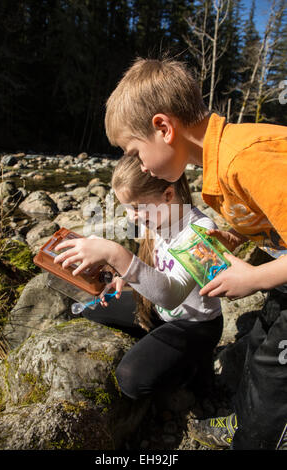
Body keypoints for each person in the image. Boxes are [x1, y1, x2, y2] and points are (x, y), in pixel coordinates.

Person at [103, 57, 287, 450]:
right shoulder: (219, 165)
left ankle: (257, 440)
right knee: (259, 347)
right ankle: (244, 419)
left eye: (135, 152)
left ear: (163, 127)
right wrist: (235, 236)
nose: (141, 166)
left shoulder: (244, 158)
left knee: (275, 374)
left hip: (276, 275)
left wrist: (254, 278)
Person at [54, 154, 223, 404]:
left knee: (131, 379)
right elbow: (150, 264)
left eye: (135, 207)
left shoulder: (201, 230)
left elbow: (170, 294)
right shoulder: (155, 217)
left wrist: (115, 253)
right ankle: (159, 346)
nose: (131, 216)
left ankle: (192, 368)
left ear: (167, 196)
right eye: (126, 208)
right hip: (157, 309)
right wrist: (126, 274)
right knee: (90, 308)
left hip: (195, 324)